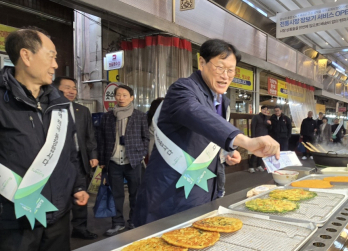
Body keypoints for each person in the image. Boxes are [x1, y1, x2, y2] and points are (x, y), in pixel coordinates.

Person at [0, 27, 88, 251]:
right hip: (14, 220)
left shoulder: (58, 103)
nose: (56, 65)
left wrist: (78, 185)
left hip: (57, 215)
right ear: (26, 56)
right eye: (51, 56)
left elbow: (69, 153)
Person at [133, 39, 279, 226]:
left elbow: (209, 134)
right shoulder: (183, 89)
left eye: (231, 70)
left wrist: (227, 151)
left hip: (205, 186)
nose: (226, 76)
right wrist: (245, 141)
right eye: (220, 67)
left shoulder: (222, 101)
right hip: (171, 189)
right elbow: (196, 114)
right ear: (202, 63)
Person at [98, 85, 149, 236]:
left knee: (135, 193)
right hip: (113, 161)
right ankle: (117, 223)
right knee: (116, 194)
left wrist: (141, 154)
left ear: (132, 98)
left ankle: (134, 220)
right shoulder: (108, 116)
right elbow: (101, 139)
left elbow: (145, 137)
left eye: (125, 95)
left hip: (133, 161)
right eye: (118, 95)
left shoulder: (139, 116)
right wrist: (102, 160)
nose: (121, 98)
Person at [54, 76, 98, 240]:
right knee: (60, 196)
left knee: (81, 194)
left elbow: (90, 135)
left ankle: (80, 228)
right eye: (67, 87)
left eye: (74, 88)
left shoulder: (82, 110)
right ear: (57, 89)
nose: (72, 91)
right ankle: (59, 232)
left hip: (80, 160)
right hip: (58, 162)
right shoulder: (51, 109)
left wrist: (93, 155)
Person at [249, 105, 270, 172]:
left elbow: (268, 128)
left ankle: (259, 165)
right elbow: (253, 126)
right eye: (264, 109)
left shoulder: (266, 118)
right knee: (255, 152)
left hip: (264, 137)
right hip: (257, 137)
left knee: (262, 152)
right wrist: (253, 137)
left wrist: (270, 124)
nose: (265, 111)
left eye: (266, 110)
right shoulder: (256, 117)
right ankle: (251, 166)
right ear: (261, 109)